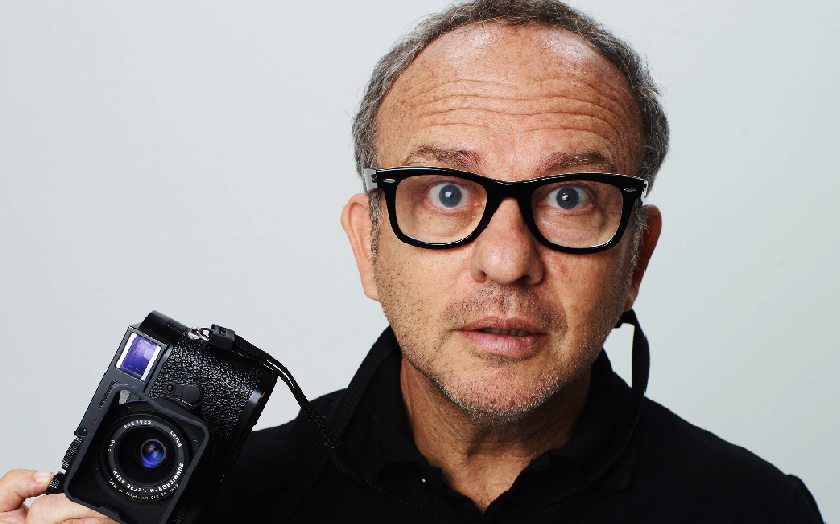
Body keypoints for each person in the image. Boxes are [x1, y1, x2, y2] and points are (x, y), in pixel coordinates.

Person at [0, 0, 824, 522]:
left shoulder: (758, 511)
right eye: (447, 193)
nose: (507, 260)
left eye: (570, 196)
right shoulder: (211, 504)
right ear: (368, 244)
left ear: (635, 256)